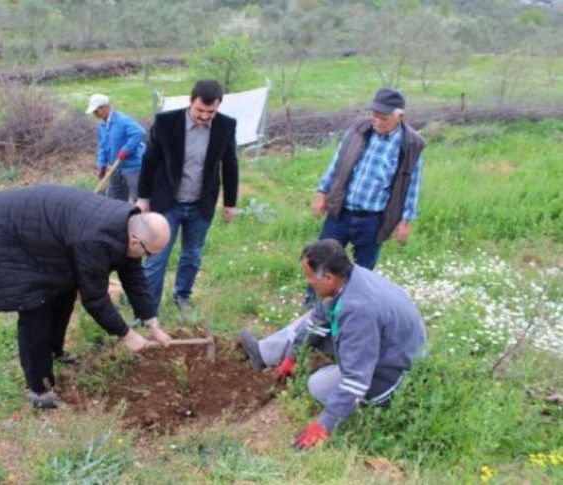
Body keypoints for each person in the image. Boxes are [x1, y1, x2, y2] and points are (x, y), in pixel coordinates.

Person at [0, 184, 173, 409]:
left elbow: (133, 277)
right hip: (10, 233)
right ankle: (39, 389)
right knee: (36, 308)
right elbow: (95, 298)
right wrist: (126, 334)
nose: (147, 258)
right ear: (136, 240)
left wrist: (151, 322)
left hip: (47, 234)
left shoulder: (127, 227)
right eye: (149, 253)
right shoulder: (96, 240)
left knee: (64, 292)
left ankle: (55, 351)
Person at [240, 239, 426, 450]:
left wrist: (324, 425)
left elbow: (356, 380)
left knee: (317, 385)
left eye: (309, 276)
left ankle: (365, 402)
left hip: (391, 371)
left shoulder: (357, 312)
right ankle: (265, 355)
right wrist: (292, 355)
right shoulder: (349, 278)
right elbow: (316, 320)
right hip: (385, 342)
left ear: (328, 277)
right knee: (311, 319)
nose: (307, 281)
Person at [136, 79, 238, 314]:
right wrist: (143, 198)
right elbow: (149, 161)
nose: (204, 116)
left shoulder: (225, 126)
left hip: (201, 204)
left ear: (218, 106)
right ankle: (148, 310)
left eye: (210, 112)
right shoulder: (166, 123)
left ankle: (182, 298)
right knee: (156, 256)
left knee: (192, 255)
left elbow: (230, 165)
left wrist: (230, 204)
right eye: (199, 110)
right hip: (167, 203)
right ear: (190, 102)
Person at [310, 88, 426, 272]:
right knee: (323, 261)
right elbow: (338, 162)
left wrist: (405, 221)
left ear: (400, 116)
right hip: (340, 211)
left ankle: (353, 301)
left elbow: (412, 185)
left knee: (362, 271)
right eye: (374, 115)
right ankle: (314, 300)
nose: (377, 121)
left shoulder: (411, 144)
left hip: (373, 220)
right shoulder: (359, 129)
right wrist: (322, 192)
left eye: (383, 118)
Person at [86, 94, 146, 203]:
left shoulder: (122, 121)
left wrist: (126, 150)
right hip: (115, 167)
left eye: (96, 111)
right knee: (113, 199)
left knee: (138, 200)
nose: (95, 114)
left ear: (104, 108)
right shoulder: (102, 126)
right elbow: (103, 147)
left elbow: (139, 133)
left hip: (133, 166)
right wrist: (102, 165)